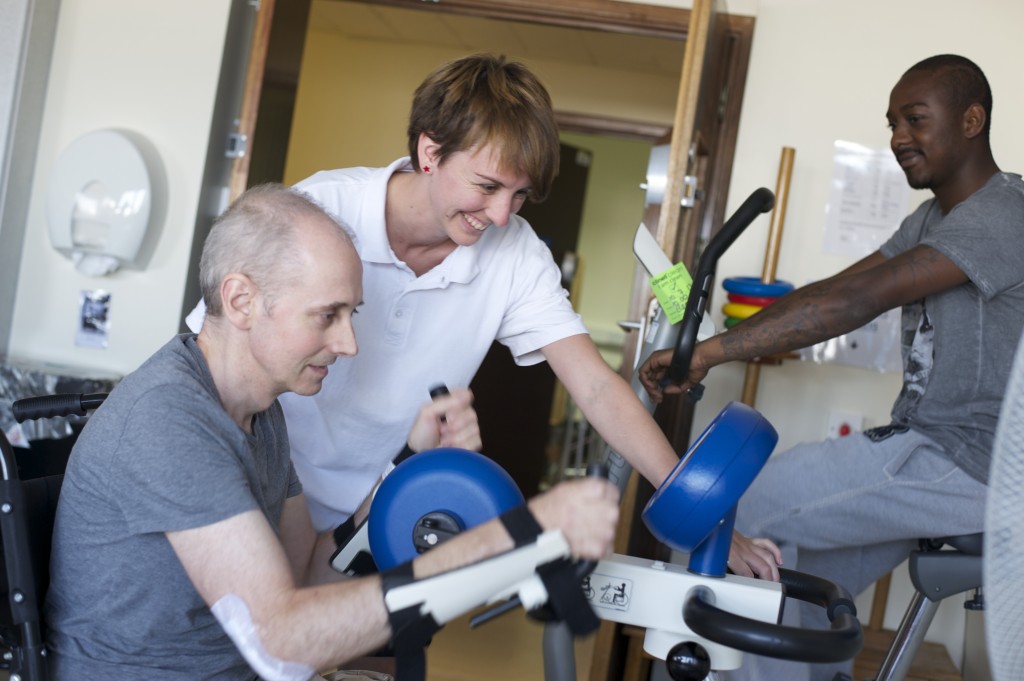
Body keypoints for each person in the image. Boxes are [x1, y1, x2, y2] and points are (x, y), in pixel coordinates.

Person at [185, 53, 782, 579]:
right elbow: (207, 357)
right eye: (488, 186)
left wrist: (698, 512)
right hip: (263, 496)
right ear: (429, 151)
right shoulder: (320, 213)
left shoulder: (514, 252)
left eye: (519, 196)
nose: (501, 216)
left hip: (388, 513)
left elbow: (596, 386)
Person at [45, 184, 622, 680]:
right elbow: (282, 638)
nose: (349, 345)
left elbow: (309, 571)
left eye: (352, 315)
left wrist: (404, 468)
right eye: (327, 315)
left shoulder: (260, 409)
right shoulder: (169, 421)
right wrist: (514, 534)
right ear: (241, 300)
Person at [640, 54, 1024, 681]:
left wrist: (712, 353)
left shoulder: (1007, 213)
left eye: (916, 119)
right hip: (930, 448)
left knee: (742, 510)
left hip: (969, 464)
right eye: (892, 123)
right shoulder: (934, 217)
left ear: (972, 120)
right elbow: (837, 286)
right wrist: (727, 335)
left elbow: (856, 302)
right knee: (798, 577)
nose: (899, 137)